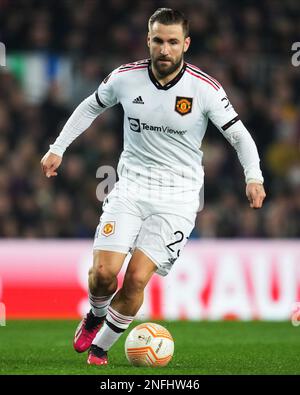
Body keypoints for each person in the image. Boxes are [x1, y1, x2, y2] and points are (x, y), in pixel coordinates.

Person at [41, 8, 266, 366]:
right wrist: (57, 148)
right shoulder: (125, 78)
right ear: (148, 40)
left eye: (173, 42)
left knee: (135, 280)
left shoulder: (205, 89)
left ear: (185, 44)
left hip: (178, 199)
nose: (165, 49)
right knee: (102, 275)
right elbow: (89, 107)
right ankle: (96, 313)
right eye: (158, 41)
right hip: (130, 187)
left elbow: (239, 135)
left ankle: (101, 348)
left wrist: (253, 176)